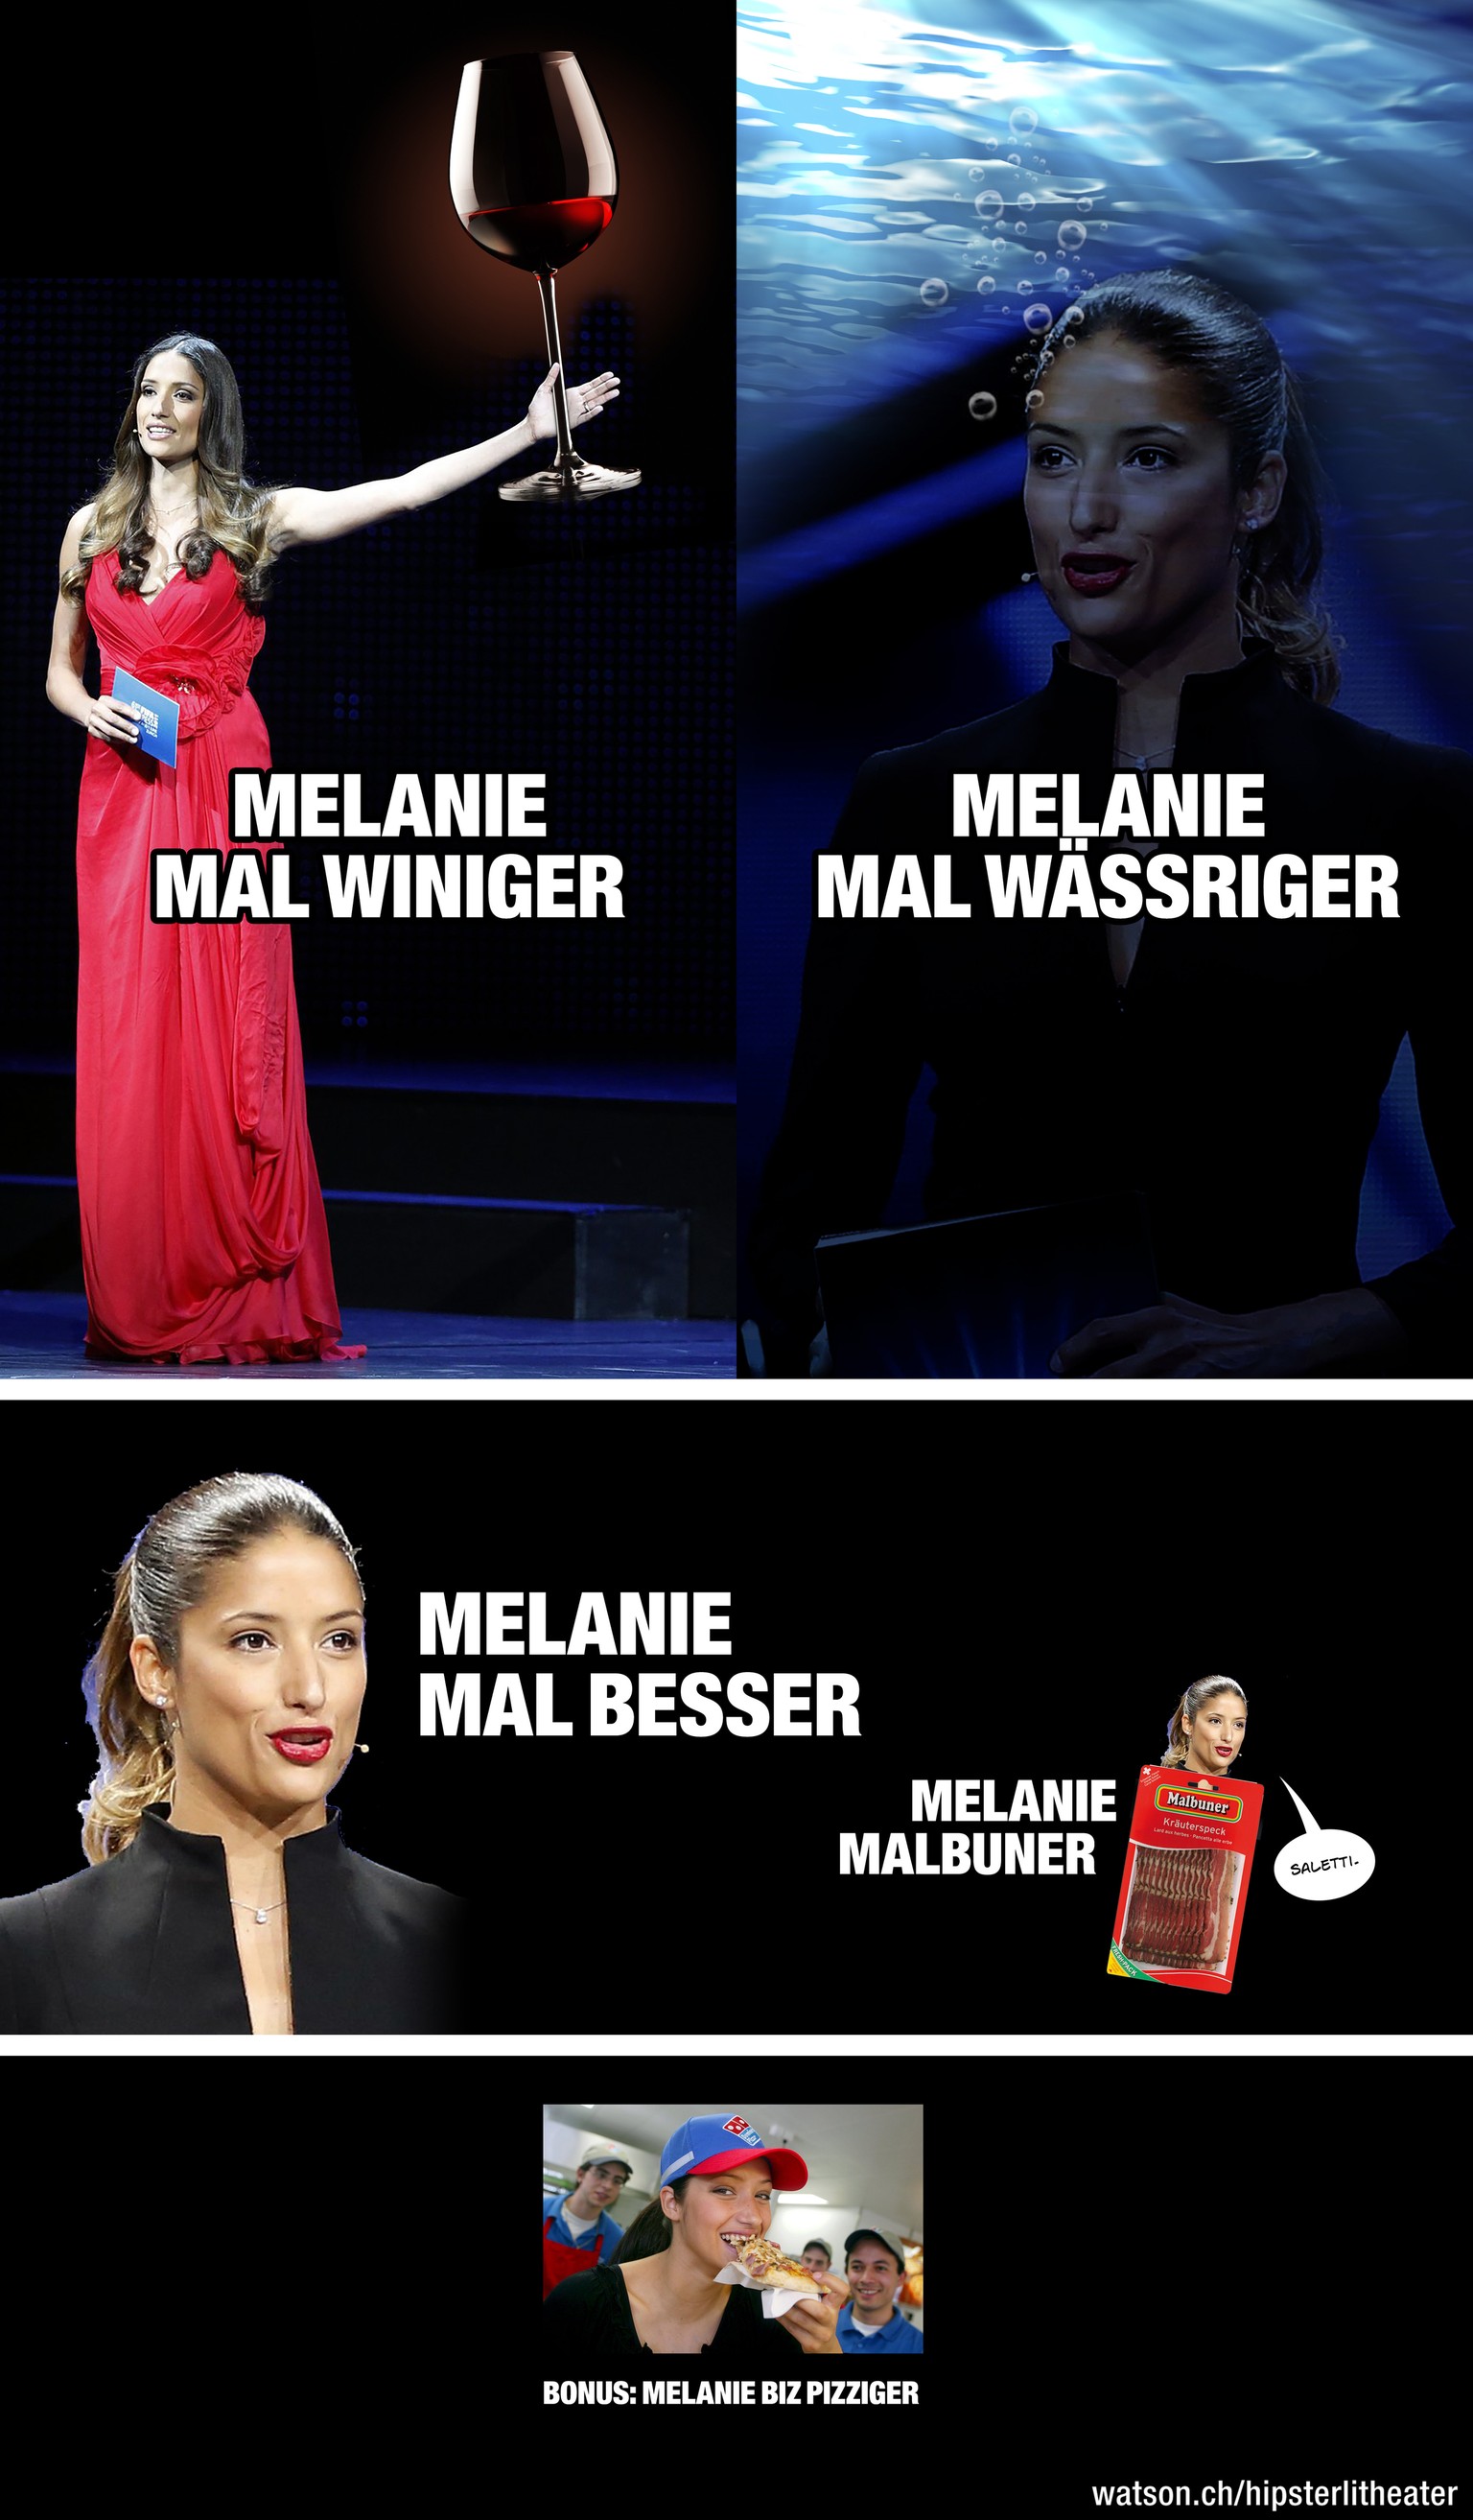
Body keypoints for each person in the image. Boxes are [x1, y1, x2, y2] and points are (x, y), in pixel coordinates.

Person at [748, 270, 1468, 1378]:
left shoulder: (1413, 810)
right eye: (1054, 458)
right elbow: (812, 1197)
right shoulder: (911, 802)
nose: (1086, 509)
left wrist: (1307, 1332)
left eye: (1148, 457)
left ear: (1255, 491)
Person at [45, 332, 620, 1363]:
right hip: (122, 799)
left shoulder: (251, 520)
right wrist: (94, 715)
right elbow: (59, 673)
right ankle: (146, 1275)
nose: (159, 409)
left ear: (209, 412)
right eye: (147, 391)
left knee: (223, 1028)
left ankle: (232, 1269)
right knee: (136, 1033)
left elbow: (399, 491)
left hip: (220, 787)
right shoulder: (92, 530)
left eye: (181, 395)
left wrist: (527, 434)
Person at [0, 1472, 466, 2033]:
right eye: (254, 1640)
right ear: (158, 1671)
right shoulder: (26, 1951)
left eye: (339, 1640)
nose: (310, 1690)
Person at [543, 2111, 848, 2360]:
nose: (754, 2217)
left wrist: (825, 2348)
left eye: (763, 2195)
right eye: (724, 2190)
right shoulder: (580, 2304)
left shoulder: (774, 2318)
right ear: (672, 2203)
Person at [544, 2146, 633, 2297]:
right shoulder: (544, 2211)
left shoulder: (617, 2240)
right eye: (601, 2174)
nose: (607, 2186)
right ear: (580, 2174)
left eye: (617, 2181)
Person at [834, 2231, 924, 2356]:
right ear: (847, 2272)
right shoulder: (821, 2323)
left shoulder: (918, 2346)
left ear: (900, 2278)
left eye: (880, 2268)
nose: (866, 2278)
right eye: (857, 2267)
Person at [1162, 1674, 1248, 1778]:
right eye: (1215, 1721)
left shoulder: (1247, 1793)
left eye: (1238, 1725)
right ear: (1188, 1724)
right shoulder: (1154, 1789)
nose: (1228, 1737)